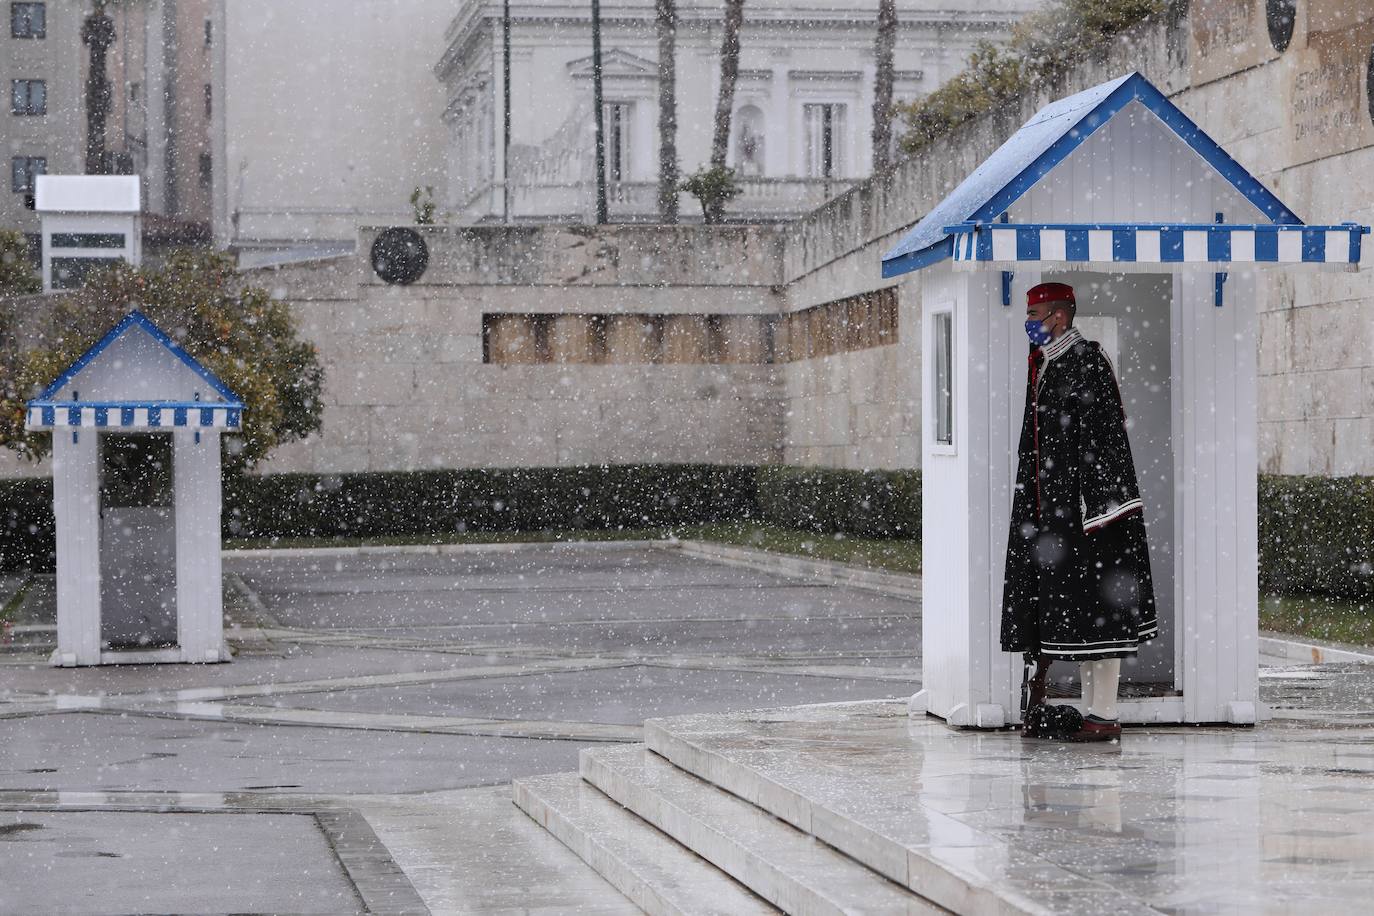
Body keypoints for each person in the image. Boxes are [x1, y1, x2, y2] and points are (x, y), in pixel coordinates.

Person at [1001, 282, 1158, 742]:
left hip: (1093, 516)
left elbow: (1106, 439)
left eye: (1038, 313)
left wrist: (1098, 507)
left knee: (1099, 613)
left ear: (1061, 315)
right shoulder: (1047, 366)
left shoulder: (1087, 361)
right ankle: (1093, 712)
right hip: (1059, 515)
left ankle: (1103, 713)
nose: (1031, 322)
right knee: (1079, 615)